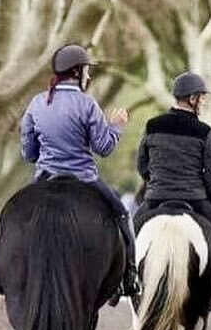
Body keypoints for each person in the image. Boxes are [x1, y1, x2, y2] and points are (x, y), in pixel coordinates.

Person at [19, 43, 141, 301]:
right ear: (77, 72)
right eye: (87, 70)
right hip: (85, 179)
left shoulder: (36, 103)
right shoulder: (88, 105)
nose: (89, 75)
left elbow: (28, 153)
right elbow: (104, 148)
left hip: (44, 178)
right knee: (121, 213)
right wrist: (116, 126)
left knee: (11, 215)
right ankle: (130, 277)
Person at [134, 72, 211, 312]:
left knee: (131, 229)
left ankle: (127, 281)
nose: (204, 102)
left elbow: (141, 164)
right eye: (202, 98)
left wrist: (154, 182)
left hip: (156, 199)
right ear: (192, 98)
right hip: (195, 200)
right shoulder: (204, 131)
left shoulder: (153, 125)